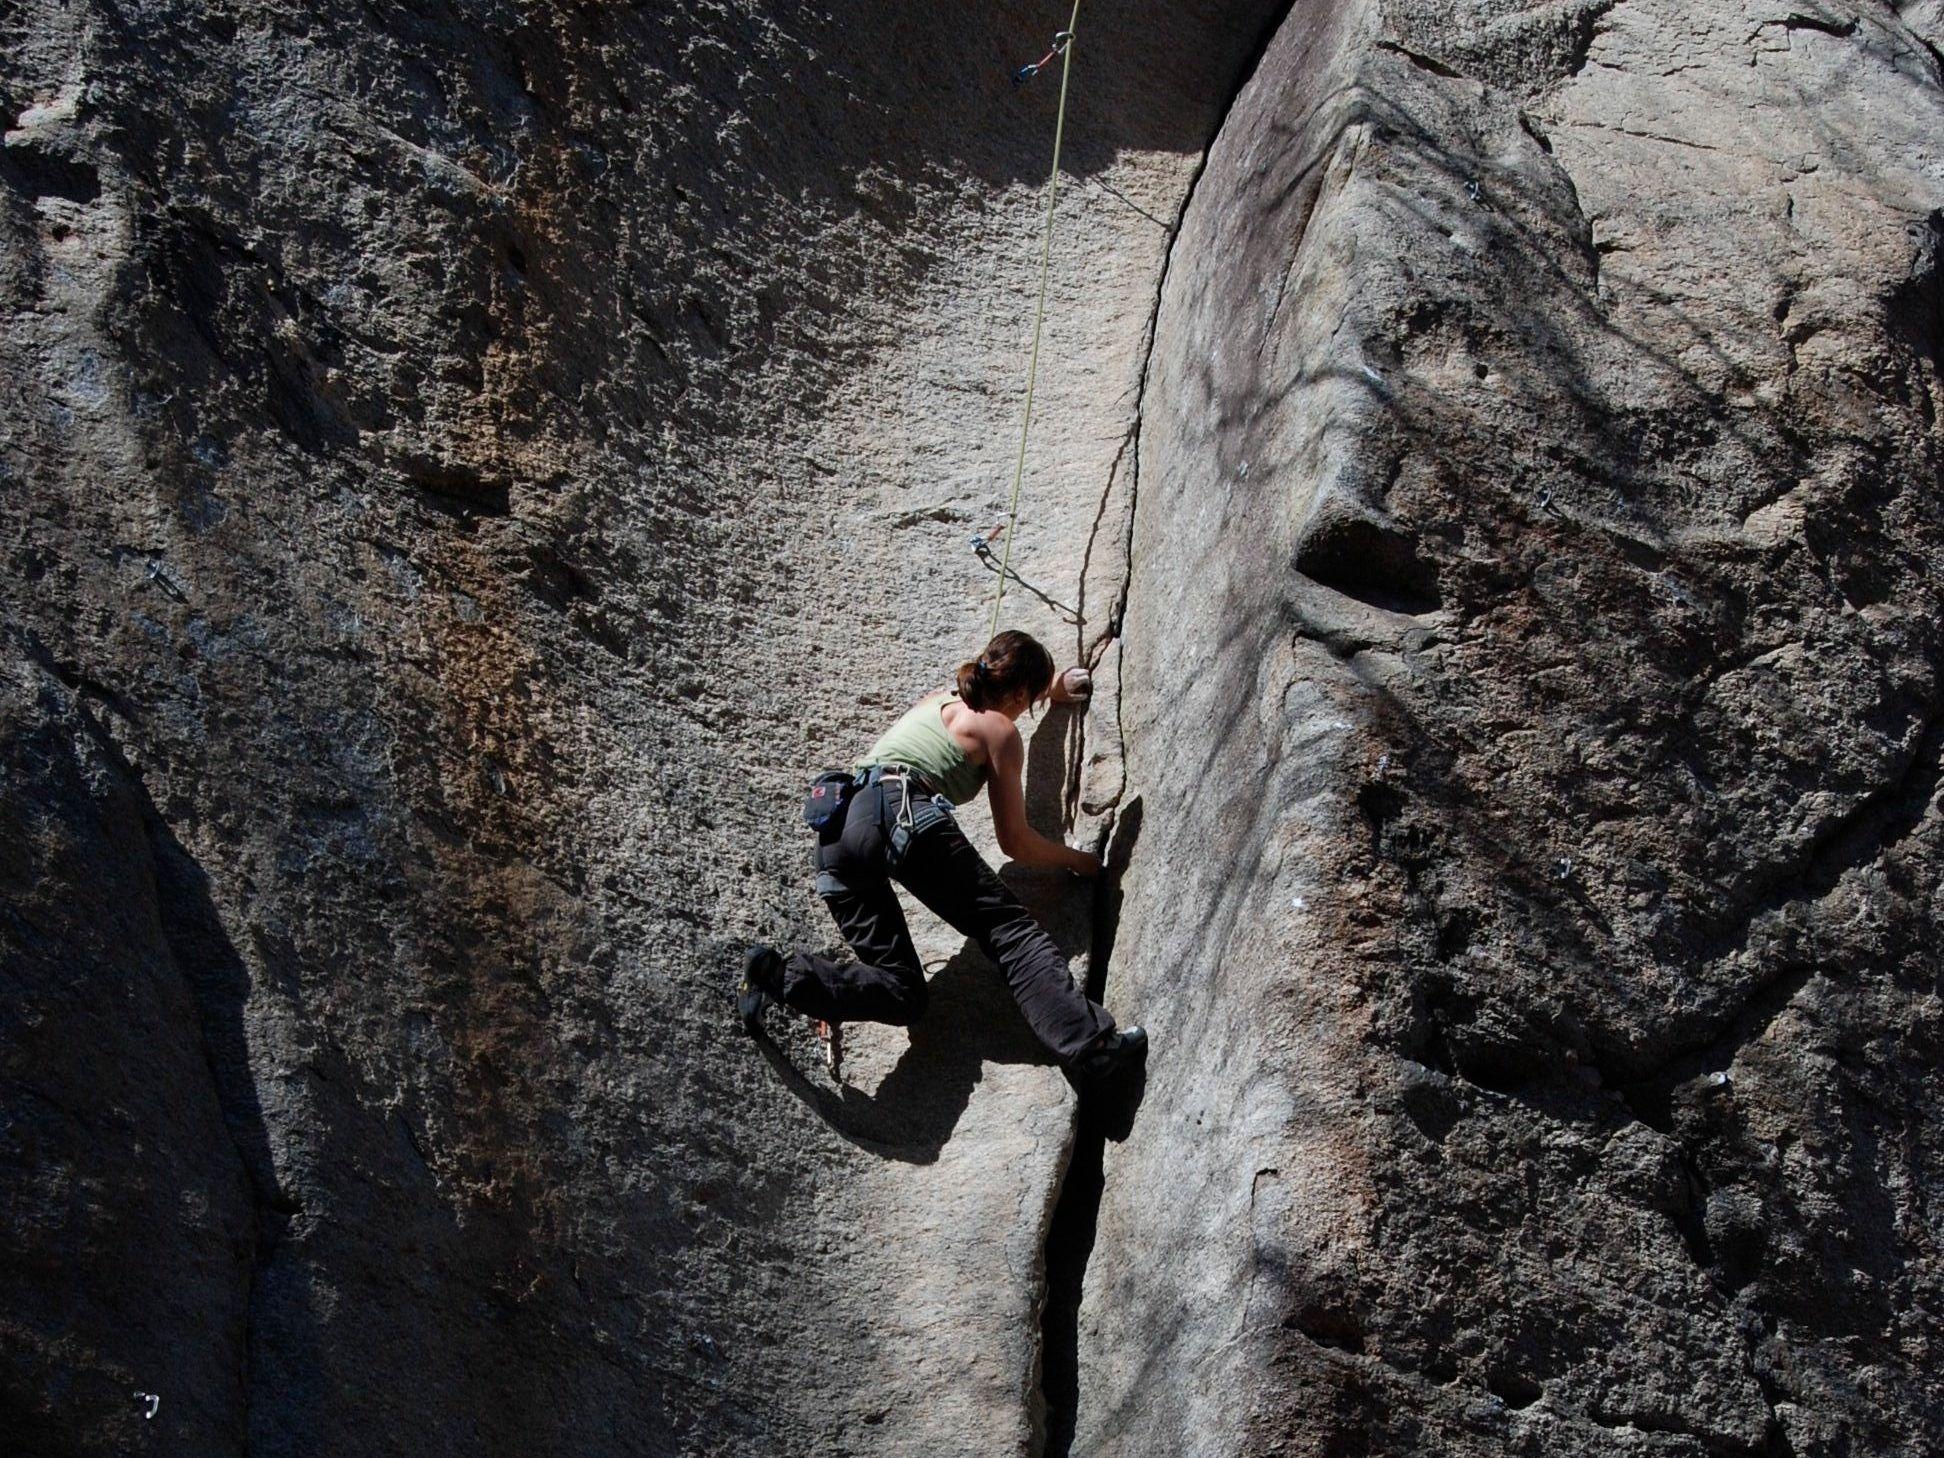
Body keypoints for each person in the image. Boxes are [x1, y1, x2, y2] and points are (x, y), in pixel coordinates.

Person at [739, 629, 1146, 1080]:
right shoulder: (1001, 731)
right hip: (901, 813)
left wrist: (1051, 689)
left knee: (903, 994)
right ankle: (1094, 1047)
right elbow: (1014, 841)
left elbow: (1000, 688)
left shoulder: (939, 698)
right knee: (1009, 931)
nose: (1026, 714)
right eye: (1029, 702)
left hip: (836, 835)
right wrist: (1080, 861)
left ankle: (781, 976)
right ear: (1016, 693)